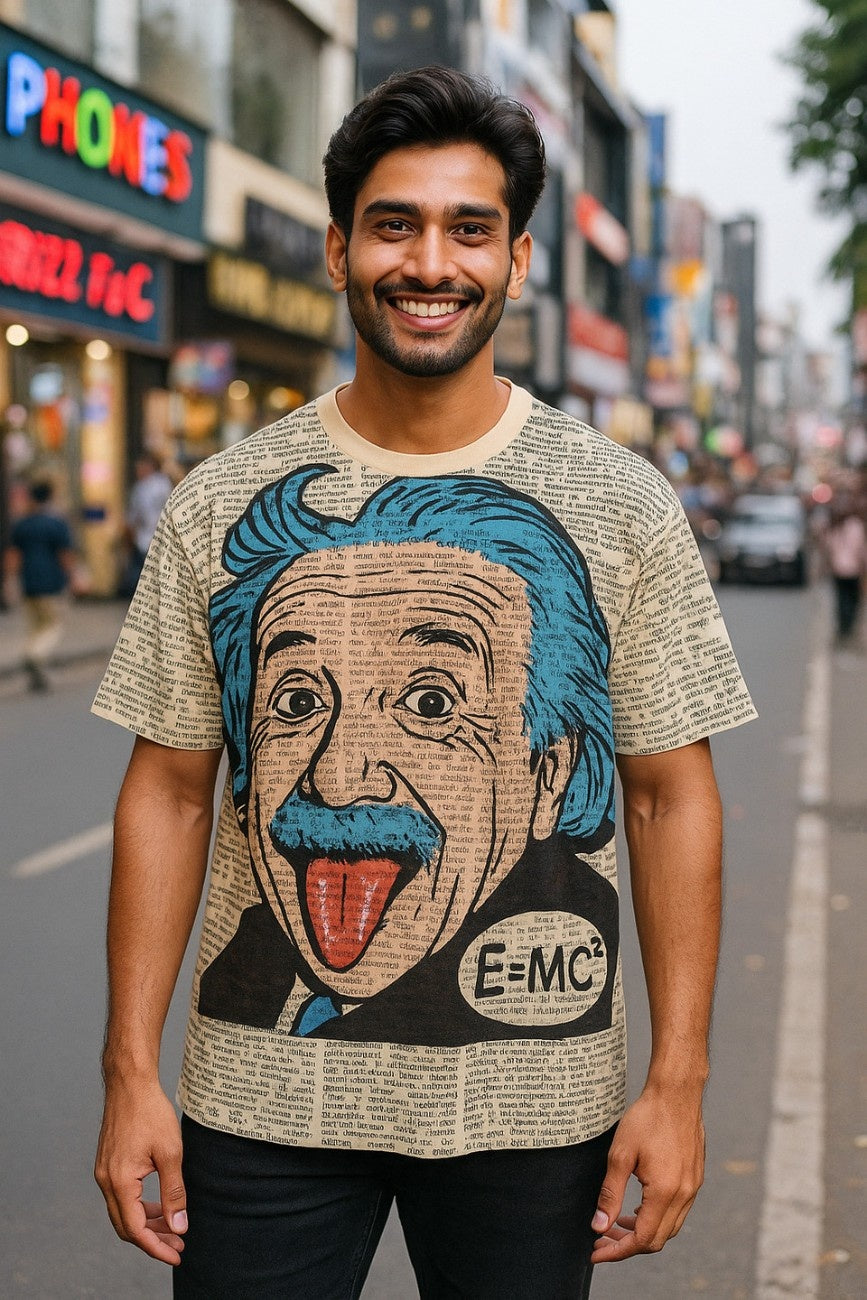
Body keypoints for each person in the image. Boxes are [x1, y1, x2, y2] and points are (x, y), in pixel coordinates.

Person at [92, 67, 756, 1298]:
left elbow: (670, 796)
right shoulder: (217, 502)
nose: (428, 262)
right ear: (340, 250)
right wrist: (132, 1069)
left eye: (470, 228)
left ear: (516, 261)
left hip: (534, 1110)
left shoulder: (621, 504)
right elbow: (173, 792)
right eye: (394, 225)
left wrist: (677, 1084)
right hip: (259, 1103)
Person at [4, 479, 75, 691]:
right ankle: (35, 654)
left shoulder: (21, 524)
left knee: (34, 626)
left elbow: (13, 556)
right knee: (53, 624)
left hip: (28, 582)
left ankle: (36, 665)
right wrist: (72, 577)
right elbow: (65, 555)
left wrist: (10, 580)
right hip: (51, 582)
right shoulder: (56, 524)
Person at [120, 452, 172, 596]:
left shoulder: (142, 488)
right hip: (162, 539)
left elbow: (133, 518)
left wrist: (128, 538)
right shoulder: (165, 484)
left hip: (145, 540)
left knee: (144, 582)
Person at [822, 493, 866, 647]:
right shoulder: (855, 525)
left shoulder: (834, 526)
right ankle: (847, 628)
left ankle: (844, 628)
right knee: (851, 600)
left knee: (842, 600)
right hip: (851, 570)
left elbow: (828, 548)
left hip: (839, 570)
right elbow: (861, 551)